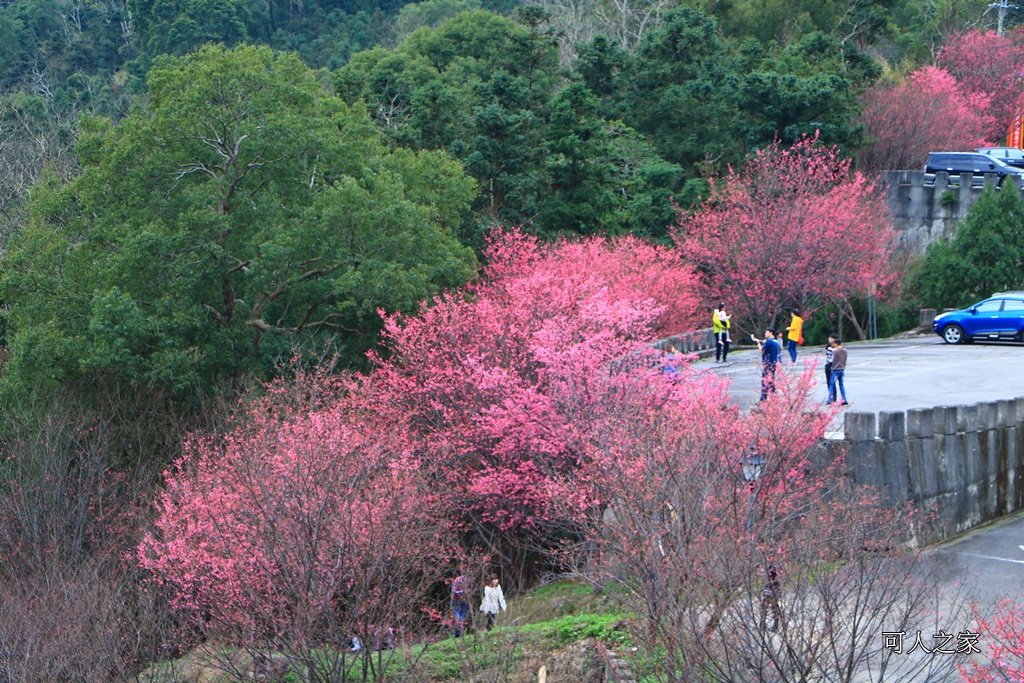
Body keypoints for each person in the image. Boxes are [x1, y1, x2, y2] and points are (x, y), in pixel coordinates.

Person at [751, 328, 782, 401]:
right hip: (774, 363)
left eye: (766, 332)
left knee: (765, 381)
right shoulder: (775, 341)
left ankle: (763, 398)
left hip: (768, 363)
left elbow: (762, 350)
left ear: (771, 333)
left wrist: (758, 342)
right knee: (771, 381)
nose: (765, 334)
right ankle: (774, 396)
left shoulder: (770, 341)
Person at [760, 565, 783, 632]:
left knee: (775, 611)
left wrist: (773, 596)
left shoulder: (776, 583)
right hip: (767, 598)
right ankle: (762, 623)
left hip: (773, 599)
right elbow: (764, 592)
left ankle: (775, 626)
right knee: (763, 608)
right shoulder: (767, 584)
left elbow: (778, 593)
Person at [827, 338, 849, 406]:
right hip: (842, 368)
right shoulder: (845, 351)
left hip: (835, 369)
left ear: (836, 344)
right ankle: (844, 399)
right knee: (841, 384)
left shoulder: (835, 351)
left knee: (832, 385)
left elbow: (832, 360)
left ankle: (830, 399)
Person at [451, 573, 469, 638]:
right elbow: (454, 591)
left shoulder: (468, 582)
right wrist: (462, 593)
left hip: (464, 601)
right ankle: (457, 633)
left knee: (463, 616)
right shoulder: (457, 580)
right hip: (456, 600)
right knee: (457, 616)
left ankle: (460, 632)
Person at [823, 333, 837, 398]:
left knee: (832, 382)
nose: (829, 339)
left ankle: (834, 397)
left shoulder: (837, 347)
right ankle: (830, 396)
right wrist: (825, 363)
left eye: (831, 338)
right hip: (828, 364)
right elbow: (827, 355)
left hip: (834, 365)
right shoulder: (828, 346)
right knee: (828, 382)